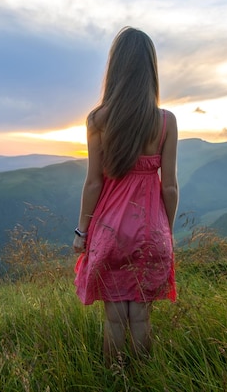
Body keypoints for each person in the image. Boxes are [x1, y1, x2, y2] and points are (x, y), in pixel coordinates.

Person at [73, 26, 178, 367]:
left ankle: (115, 380)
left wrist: (82, 232)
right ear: (151, 69)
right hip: (151, 233)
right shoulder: (165, 122)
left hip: (109, 231)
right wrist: (167, 230)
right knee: (142, 319)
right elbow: (170, 186)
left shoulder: (97, 120)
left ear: (114, 69)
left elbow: (93, 183)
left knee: (115, 319)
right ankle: (145, 380)